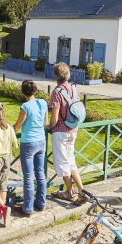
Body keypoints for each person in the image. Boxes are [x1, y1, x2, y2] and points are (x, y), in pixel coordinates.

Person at [47, 62, 85, 202]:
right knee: (71, 161)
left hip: (61, 132)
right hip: (73, 129)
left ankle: (69, 194)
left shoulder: (57, 92)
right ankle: (81, 190)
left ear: (55, 76)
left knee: (63, 164)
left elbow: (55, 119)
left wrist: (48, 126)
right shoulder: (75, 89)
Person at [12, 80, 48, 216]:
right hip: (41, 141)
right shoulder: (43, 102)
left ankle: (28, 208)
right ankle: (41, 202)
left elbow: (17, 126)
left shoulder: (25, 106)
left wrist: (10, 129)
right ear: (36, 91)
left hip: (28, 143)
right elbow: (45, 122)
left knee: (28, 176)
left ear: (22, 92)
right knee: (40, 173)